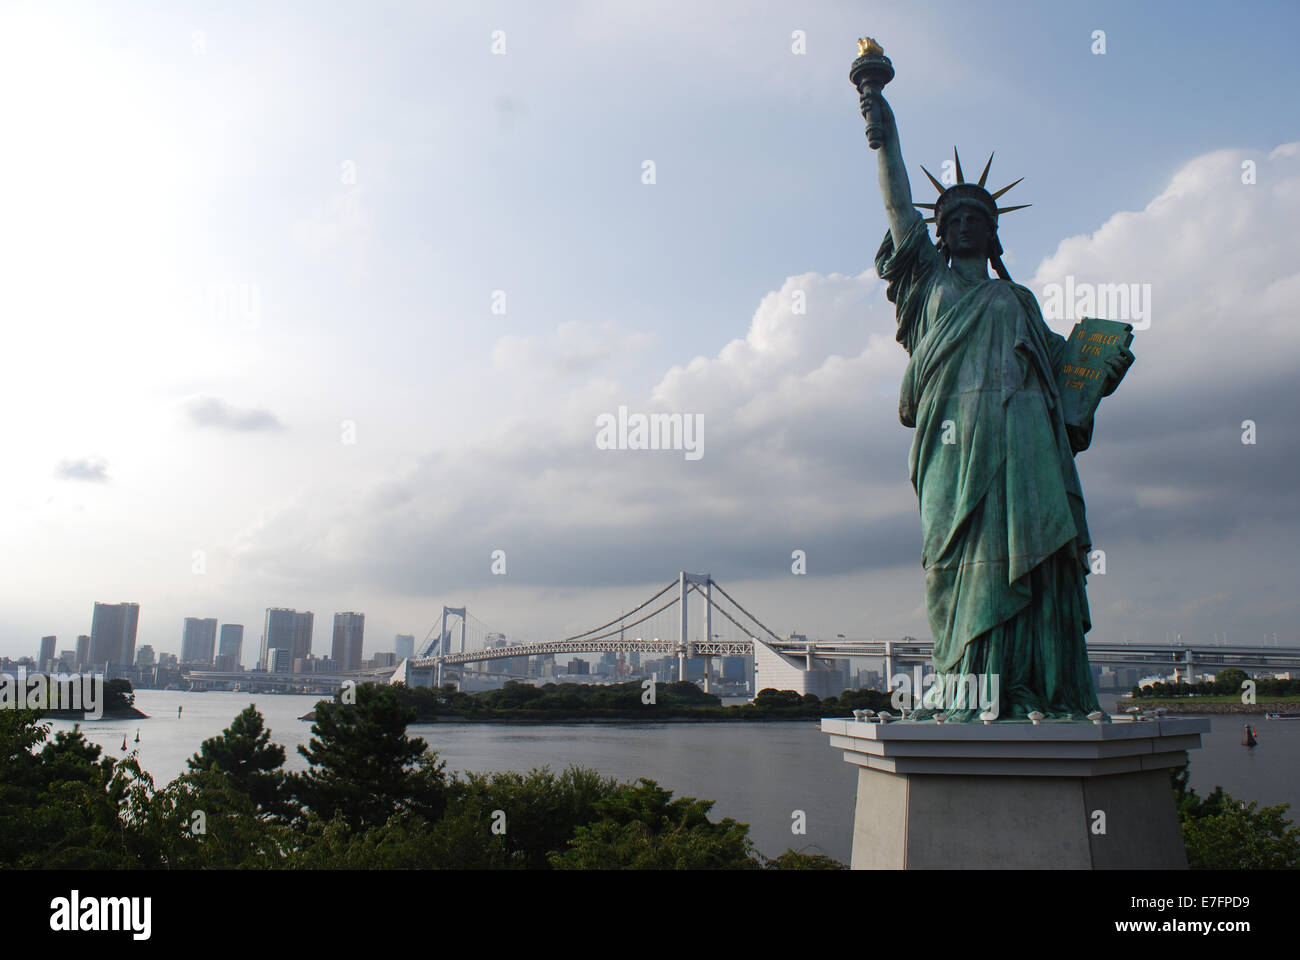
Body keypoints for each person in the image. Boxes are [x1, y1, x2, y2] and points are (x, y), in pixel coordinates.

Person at [861, 90, 1132, 720]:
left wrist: (1106, 364)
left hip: (1023, 448)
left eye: (974, 220)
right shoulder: (925, 281)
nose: (961, 227)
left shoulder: (1021, 301)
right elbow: (898, 200)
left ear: (992, 231)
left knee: (1030, 563)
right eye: (951, 220)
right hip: (949, 448)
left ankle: (1029, 685)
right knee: (951, 563)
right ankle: (963, 682)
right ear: (938, 232)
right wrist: (880, 117)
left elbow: (1068, 380)